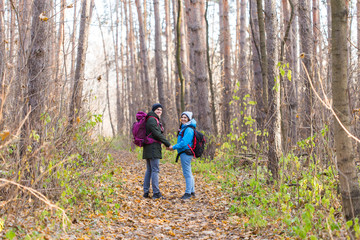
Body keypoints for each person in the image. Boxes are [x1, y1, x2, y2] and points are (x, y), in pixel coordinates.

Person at [143, 103, 171, 199]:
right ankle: (156, 193)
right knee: (154, 170)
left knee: (150, 170)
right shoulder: (152, 119)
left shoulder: (153, 119)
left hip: (149, 147)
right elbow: (157, 134)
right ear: (154, 110)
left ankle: (146, 192)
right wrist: (168, 144)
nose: (159, 111)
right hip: (152, 148)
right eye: (157, 109)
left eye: (161, 110)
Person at [169, 111, 196, 200]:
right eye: (182, 117)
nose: (183, 119)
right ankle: (192, 191)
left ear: (189, 119)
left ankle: (188, 193)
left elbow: (184, 143)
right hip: (185, 153)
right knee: (189, 172)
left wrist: (173, 147)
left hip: (186, 153)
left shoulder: (189, 129)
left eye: (185, 117)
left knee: (187, 173)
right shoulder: (185, 128)